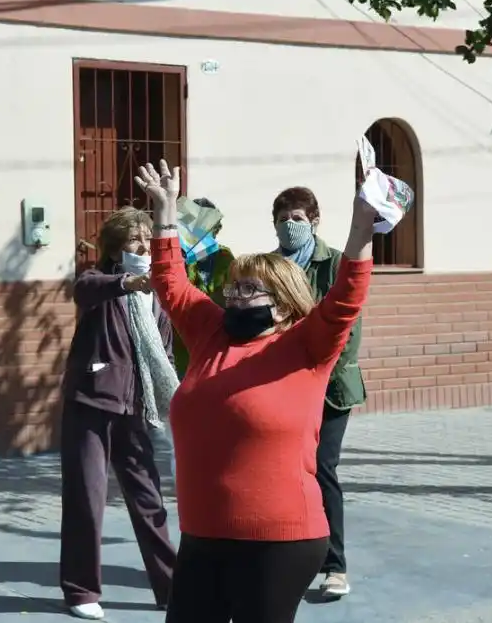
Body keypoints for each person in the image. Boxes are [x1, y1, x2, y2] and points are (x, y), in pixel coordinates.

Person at [137, 160, 376, 623]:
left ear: (284, 301)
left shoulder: (307, 343)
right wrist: (165, 216)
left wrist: (362, 229)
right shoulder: (211, 331)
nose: (234, 296)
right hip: (204, 533)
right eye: (233, 287)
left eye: (249, 289)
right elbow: (172, 283)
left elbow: (346, 296)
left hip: (280, 539)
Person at [60, 206, 178, 620]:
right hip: (91, 403)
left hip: (136, 408)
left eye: (148, 237)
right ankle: (81, 590)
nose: (144, 245)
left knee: (149, 498)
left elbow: (162, 350)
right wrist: (128, 282)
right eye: (134, 239)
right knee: (86, 499)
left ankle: (171, 587)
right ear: (115, 247)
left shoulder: (157, 291)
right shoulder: (102, 282)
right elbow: (85, 289)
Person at [272, 186, 365, 598]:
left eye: (297, 218)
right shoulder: (269, 266)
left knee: (321, 470)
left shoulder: (332, 264)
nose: (289, 225)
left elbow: (347, 331)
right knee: (282, 472)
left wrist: (313, 369)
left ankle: (335, 565)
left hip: (328, 389)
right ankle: (287, 556)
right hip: (280, 385)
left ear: (314, 220)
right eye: (282, 218)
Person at [173, 197, 234, 377]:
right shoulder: (176, 259)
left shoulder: (225, 259)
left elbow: (227, 300)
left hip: (215, 346)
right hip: (179, 347)